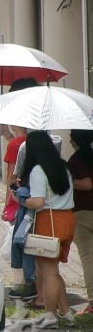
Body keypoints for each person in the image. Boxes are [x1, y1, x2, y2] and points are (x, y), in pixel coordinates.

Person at [17, 130, 78, 327]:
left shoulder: (37, 170)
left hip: (49, 221)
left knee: (48, 271)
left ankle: (50, 315)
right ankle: (66, 312)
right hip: (67, 220)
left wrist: (19, 199)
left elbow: (38, 201)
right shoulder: (63, 167)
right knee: (54, 269)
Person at [4, 125, 36, 301]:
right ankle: (33, 285)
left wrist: (10, 200)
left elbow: (11, 176)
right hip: (49, 212)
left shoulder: (19, 145)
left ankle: (24, 285)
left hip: (24, 202)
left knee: (20, 241)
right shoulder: (51, 144)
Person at [67, 129, 93, 315]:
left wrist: (70, 181)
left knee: (88, 258)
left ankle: (92, 303)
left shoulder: (77, 160)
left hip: (83, 213)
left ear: (75, 141)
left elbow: (86, 184)